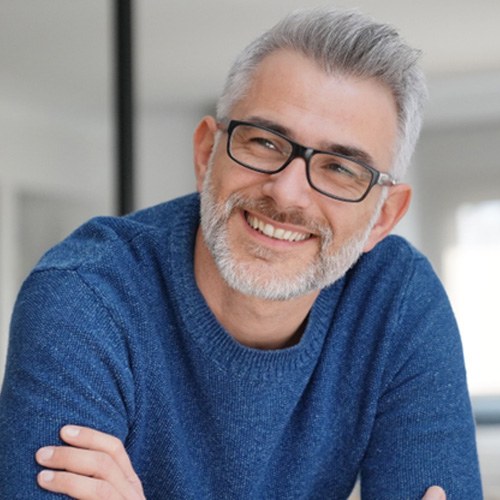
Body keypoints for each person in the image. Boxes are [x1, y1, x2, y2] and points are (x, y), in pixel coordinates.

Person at [0, 7, 482, 499]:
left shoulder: (397, 301)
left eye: (341, 169)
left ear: (382, 217)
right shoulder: (85, 296)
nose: (288, 194)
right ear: (208, 153)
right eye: (265, 142)